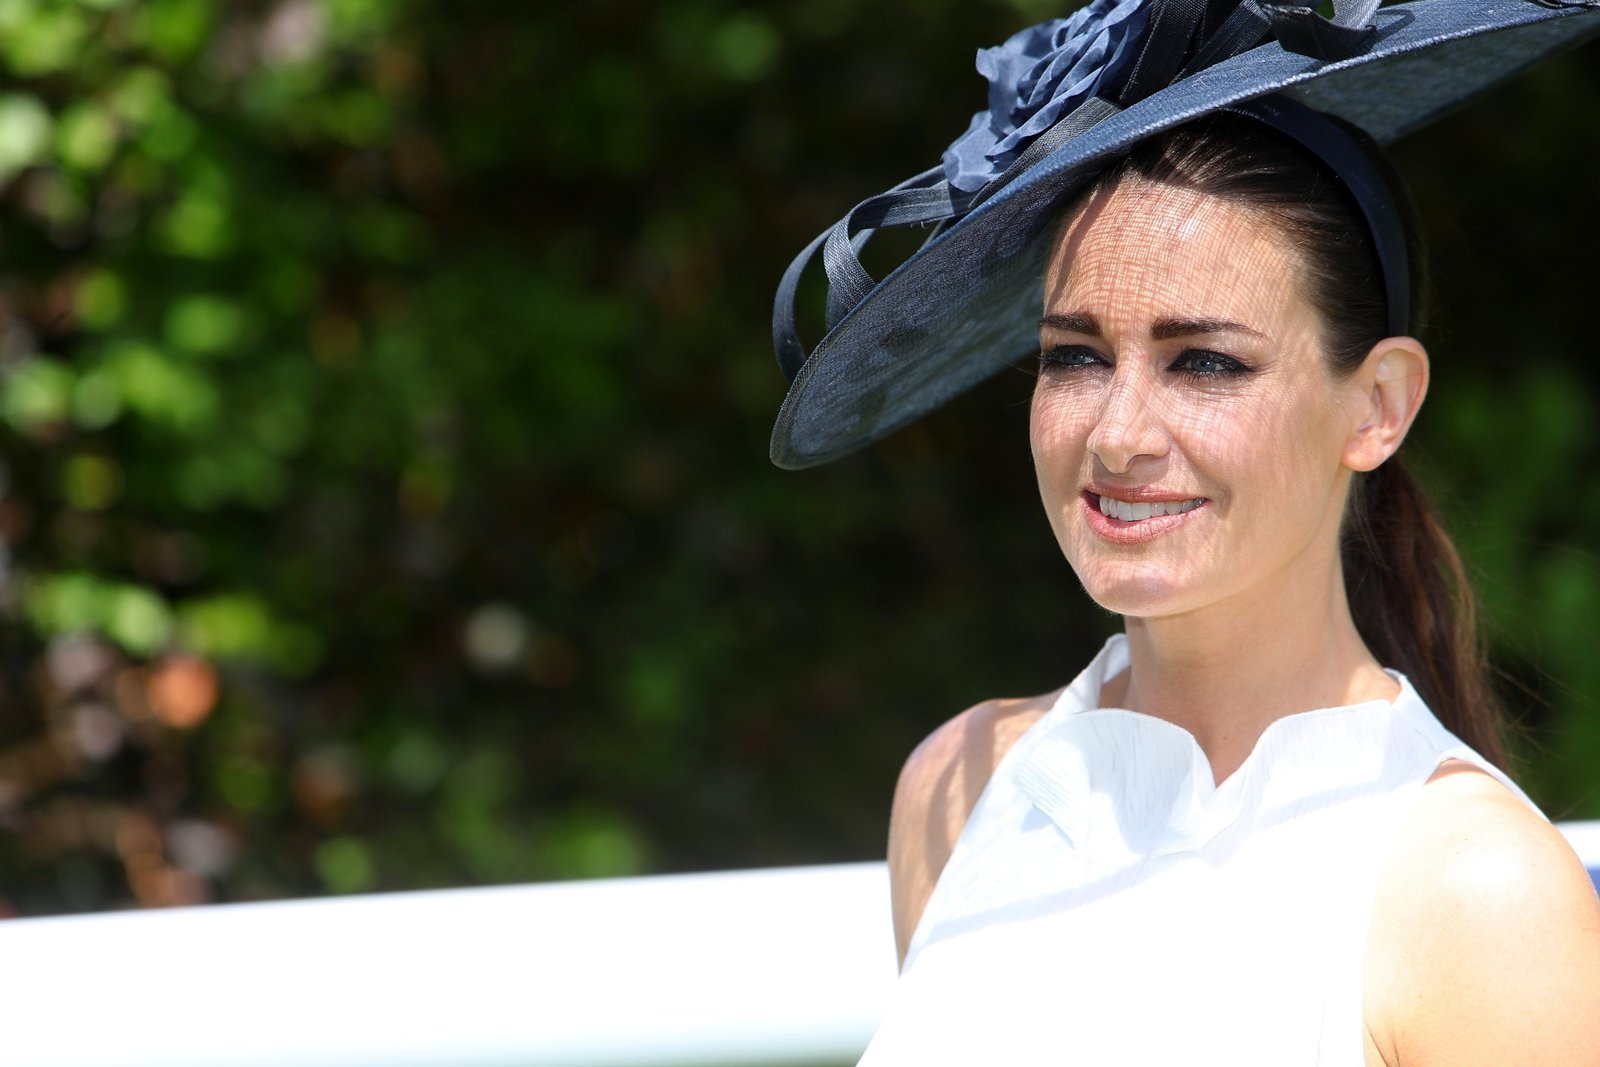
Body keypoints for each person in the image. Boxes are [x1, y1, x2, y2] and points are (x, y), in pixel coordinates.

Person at [768, 1, 1600, 1063]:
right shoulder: (964, 784)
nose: (1117, 434)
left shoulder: (1471, 892)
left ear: (1377, 405)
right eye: (1073, 355)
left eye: (1204, 362)